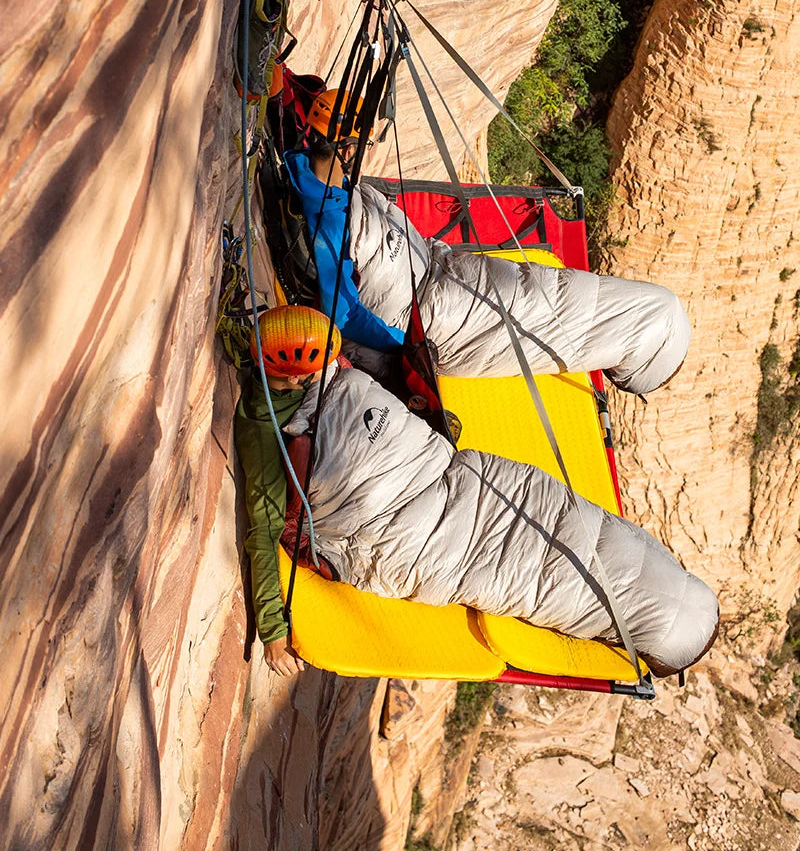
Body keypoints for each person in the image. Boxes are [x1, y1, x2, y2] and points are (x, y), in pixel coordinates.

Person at [235, 305, 719, 678]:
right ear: (298, 370)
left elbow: (270, 523)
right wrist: (273, 631)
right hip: (422, 523)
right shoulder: (270, 426)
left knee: (562, 542)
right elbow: (262, 525)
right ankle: (668, 618)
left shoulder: (332, 373)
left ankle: (667, 618)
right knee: (555, 552)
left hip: (448, 480)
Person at [283, 89, 691, 390]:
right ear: (347, 146)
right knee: (547, 316)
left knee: (554, 301)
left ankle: (650, 338)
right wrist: (404, 348)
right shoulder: (331, 219)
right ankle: (649, 343)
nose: (360, 157)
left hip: (436, 269)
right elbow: (343, 312)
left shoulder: (336, 190)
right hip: (434, 308)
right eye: (359, 147)